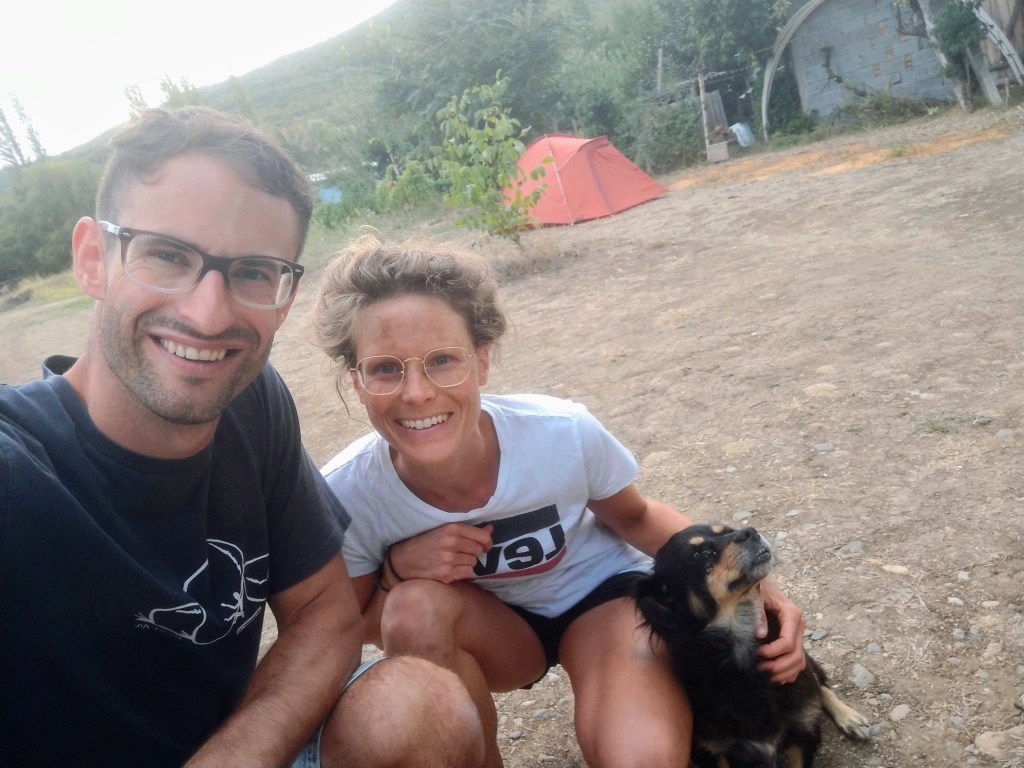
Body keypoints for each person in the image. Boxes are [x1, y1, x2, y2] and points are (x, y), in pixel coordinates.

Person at [0, 107, 484, 768]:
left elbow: (326, 610)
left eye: (253, 271)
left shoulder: (249, 399)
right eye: (167, 254)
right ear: (93, 259)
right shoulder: (20, 470)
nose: (209, 314)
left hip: (238, 744)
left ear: (284, 297)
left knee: (420, 708)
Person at [312, 234, 809, 768]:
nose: (416, 393)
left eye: (443, 359)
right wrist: (396, 573)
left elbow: (638, 519)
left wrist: (760, 585)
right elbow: (361, 625)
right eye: (385, 368)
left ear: (482, 362)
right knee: (412, 609)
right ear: (356, 381)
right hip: (496, 633)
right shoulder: (347, 493)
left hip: (601, 603)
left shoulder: (560, 433)